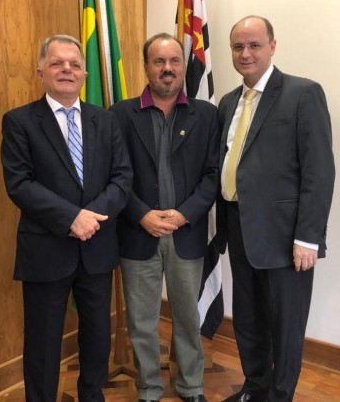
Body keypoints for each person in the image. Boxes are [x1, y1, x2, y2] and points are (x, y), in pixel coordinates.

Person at [0, 34, 132, 402]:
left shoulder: (104, 121)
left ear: (85, 73)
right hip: (46, 250)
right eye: (57, 63)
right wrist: (72, 218)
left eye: (74, 64)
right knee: (42, 344)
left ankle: (92, 396)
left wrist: (92, 219)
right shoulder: (19, 121)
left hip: (97, 248)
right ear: (40, 71)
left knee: (95, 338)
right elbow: (19, 184)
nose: (66, 70)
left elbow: (122, 178)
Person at [216, 16, 335, 402]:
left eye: (253, 45)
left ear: (272, 46)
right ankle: (255, 388)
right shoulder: (228, 101)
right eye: (238, 47)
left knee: (285, 324)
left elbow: (319, 171)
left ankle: (280, 395)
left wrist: (308, 238)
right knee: (248, 318)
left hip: (286, 236)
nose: (245, 53)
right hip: (238, 225)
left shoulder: (303, 94)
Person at [110, 33, 219, 402]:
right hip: (138, 234)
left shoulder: (205, 114)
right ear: (146, 67)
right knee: (141, 321)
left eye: (174, 61)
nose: (168, 69)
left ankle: (191, 386)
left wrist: (184, 213)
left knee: (188, 318)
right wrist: (141, 214)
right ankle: (149, 390)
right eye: (159, 62)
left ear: (182, 66)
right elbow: (114, 176)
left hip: (186, 233)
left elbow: (213, 175)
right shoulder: (120, 114)